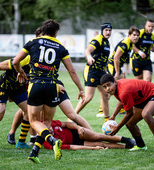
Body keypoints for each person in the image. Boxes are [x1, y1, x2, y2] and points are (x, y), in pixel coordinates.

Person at [13, 19, 92, 161]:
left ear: (44, 30)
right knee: (47, 122)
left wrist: (20, 72)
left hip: (36, 84)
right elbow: (72, 71)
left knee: (34, 121)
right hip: (52, 87)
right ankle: (35, 152)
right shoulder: (60, 46)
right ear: (56, 32)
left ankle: (52, 141)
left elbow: (15, 61)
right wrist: (81, 89)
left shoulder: (33, 41)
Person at [100, 73, 154, 155]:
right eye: (105, 87)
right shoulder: (117, 89)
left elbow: (129, 113)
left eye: (109, 85)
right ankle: (140, 145)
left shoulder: (124, 91)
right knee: (130, 123)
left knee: (146, 114)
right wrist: (113, 115)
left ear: (115, 82)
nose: (108, 89)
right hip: (141, 99)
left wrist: (117, 128)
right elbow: (121, 101)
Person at [27, 119, 136, 163]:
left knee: (98, 136)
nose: (49, 128)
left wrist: (78, 128)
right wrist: (93, 148)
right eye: (46, 128)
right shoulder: (49, 143)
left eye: (48, 126)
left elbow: (67, 124)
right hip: (75, 142)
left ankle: (129, 140)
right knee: (100, 144)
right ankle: (127, 147)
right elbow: (73, 147)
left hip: (76, 133)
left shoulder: (53, 122)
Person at [0, 55, 31, 149]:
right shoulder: (20, 61)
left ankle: (21, 143)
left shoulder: (39, 65)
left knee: (29, 110)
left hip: (18, 89)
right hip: (4, 87)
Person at [75, 23, 112, 120]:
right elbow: (87, 50)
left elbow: (103, 59)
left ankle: (107, 121)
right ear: (102, 31)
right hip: (92, 70)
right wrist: (89, 57)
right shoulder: (98, 39)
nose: (108, 32)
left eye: (109, 30)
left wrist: (106, 72)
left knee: (105, 96)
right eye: (106, 30)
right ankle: (72, 117)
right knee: (88, 97)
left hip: (101, 72)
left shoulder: (107, 42)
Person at [107, 26, 140, 114]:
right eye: (134, 35)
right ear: (129, 35)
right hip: (112, 66)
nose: (136, 37)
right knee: (113, 88)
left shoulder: (130, 44)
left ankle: (121, 109)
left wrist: (122, 72)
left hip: (117, 67)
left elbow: (124, 59)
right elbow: (116, 58)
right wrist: (117, 72)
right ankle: (103, 109)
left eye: (137, 35)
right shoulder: (125, 43)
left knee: (122, 87)